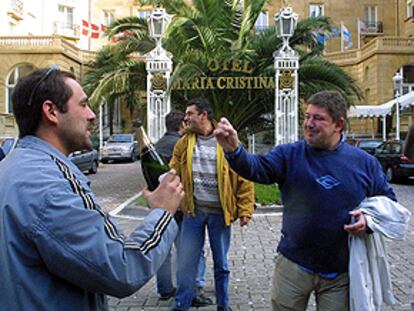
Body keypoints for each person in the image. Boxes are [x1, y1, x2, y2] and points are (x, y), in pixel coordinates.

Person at [0, 66, 184, 311]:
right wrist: (162, 213)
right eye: (84, 104)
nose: (92, 115)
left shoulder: (10, 167)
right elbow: (122, 268)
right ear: (51, 111)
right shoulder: (51, 185)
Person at [214, 90, 396, 311]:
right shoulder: (289, 155)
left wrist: (368, 222)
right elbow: (257, 169)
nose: (309, 123)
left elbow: (387, 202)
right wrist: (234, 150)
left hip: (340, 271)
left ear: (338, 124)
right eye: (307, 116)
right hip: (293, 264)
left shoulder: (364, 163)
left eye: (318, 118)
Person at [170, 98, 255, 311]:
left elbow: (244, 175)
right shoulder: (184, 143)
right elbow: (173, 171)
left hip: (220, 213)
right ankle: (181, 304)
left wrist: (245, 209)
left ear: (204, 115)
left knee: (222, 265)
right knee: (186, 262)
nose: (185, 118)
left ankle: (223, 306)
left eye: (190, 113)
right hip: (193, 212)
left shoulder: (224, 139)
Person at [154, 111, 212, 306]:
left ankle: (164, 289)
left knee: (163, 249)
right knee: (189, 249)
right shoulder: (182, 145)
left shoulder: (156, 146)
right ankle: (195, 288)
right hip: (178, 205)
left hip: (158, 204)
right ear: (180, 125)